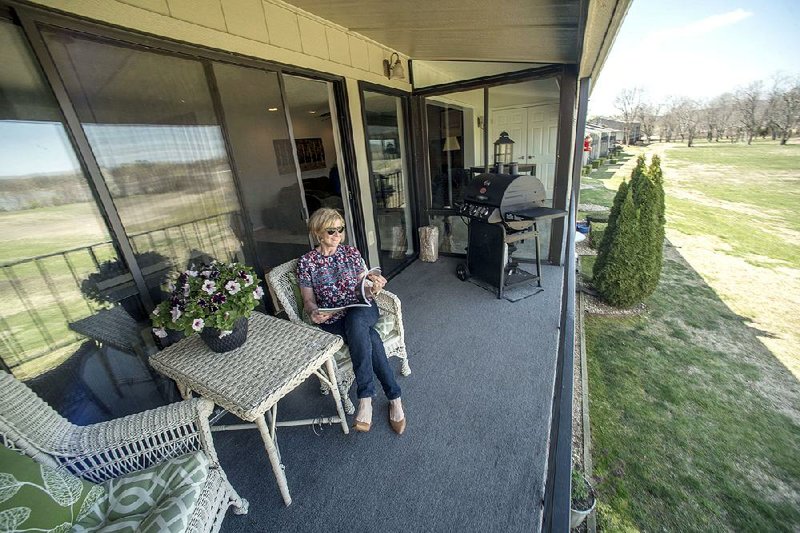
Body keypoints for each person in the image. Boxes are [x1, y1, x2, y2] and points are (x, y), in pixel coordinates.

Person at [297, 208, 406, 434]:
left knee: (356, 321)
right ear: (317, 233)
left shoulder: (351, 254)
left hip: (361, 308)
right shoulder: (307, 262)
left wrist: (373, 287)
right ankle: (394, 397)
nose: (337, 234)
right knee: (370, 338)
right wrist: (314, 312)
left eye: (340, 229)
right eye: (331, 230)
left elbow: (362, 286)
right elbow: (308, 300)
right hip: (332, 317)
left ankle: (365, 397)